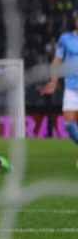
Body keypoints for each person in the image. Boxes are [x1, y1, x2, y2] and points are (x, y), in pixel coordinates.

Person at [41, 12, 78, 168]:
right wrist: (54, 80)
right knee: (68, 124)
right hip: (71, 87)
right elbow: (57, 61)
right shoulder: (66, 39)